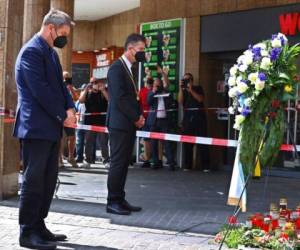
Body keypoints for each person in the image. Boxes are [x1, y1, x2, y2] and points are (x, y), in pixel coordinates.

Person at [13, 9, 76, 250]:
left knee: (48, 180)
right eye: (62, 33)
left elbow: (59, 87)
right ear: (51, 28)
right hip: (35, 127)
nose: (64, 38)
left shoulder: (50, 53)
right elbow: (40, 90)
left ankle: (39, 225)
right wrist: (63, 116)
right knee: (33, 180)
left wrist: (70, 108)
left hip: (50, 127)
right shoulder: (31, 51)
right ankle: (27, 232)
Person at [106, 33, 145, 215]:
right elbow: (120, 98)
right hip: (120, 124)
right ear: (130, 49)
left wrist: (139, 115)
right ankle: (112, 201)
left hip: (127, 124)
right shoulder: (116, 68)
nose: (143, 53)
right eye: (141, 50)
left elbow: (132, 98)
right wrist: (136, 117)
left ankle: (120, 198)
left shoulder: (128, 68)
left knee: (123, 164)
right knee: (118, 163)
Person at [178, 73, 210, 172]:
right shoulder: (183, 91)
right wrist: (181, 89)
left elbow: (200, 99)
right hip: (188, 119)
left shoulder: (198, 88)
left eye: (187, 79)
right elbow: (180, 101)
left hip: (199, 119)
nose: (186, 81)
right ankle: (188, 165)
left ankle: (205, 166)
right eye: (184, 79)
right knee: (187, 143)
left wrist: (191, 89)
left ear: (192, 80)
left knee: (202, 143)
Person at [146, 67, 176, 170]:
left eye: (159, 84)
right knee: (153, 143)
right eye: (156, 84)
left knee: (167, 142)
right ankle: (156, 162)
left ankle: (171, 162)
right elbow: (148, 102)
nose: (158, 86)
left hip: (164, 121)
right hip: (154, 121)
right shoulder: (151, 92)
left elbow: (167, 83)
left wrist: (163, 73)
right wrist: (154, 91)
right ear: (153, 85)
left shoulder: (165, 91)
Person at [79, 77, 109, 167]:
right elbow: (81, 100)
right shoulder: (87, 92)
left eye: (96, 82)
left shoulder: (103, 92)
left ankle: (106, 161)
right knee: (88, 142)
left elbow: (110, 100)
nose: (94, 84)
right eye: (92, 82)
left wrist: (103, 90)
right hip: (89, 122)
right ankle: (87, 161)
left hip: (101, 121)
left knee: (103, 142)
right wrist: (86, 90)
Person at [59, 71, 78, 168]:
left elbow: (76, 98)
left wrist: (71, 88)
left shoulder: (70, 87)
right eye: (64, 77)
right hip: (61, 116)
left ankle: (71, 157)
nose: (66, 79)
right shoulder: (58, 87)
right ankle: (60, 159)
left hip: (70, 117)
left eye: (68, 77)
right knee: (61, 138)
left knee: (72, 137)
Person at [138, 77, 153, 168]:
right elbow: (138, 103)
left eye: (150, 82)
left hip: (153, 118)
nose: (149, 84)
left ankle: (155, 159)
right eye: (148, 82)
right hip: (145, 118)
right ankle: (147, 159)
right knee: (146, 140)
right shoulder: (142, 91)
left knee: (154, 139)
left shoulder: (154, 91)